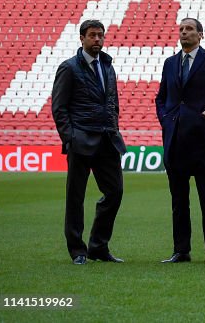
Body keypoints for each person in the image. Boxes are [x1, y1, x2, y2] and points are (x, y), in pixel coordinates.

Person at [155, 18, 205, 265]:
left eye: (189, 29)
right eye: (180, 29)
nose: (183, 32)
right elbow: (161, 97)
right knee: (178, 201)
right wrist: (166, 120)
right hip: (175, 139)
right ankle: (181, 251)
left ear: (200, 34)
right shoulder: (170, 63)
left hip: (200, 140)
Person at [51, 19, 126, 265]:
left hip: (107, 139)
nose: (97, 39)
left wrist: (114, 125)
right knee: (76, 197)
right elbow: (59, 108)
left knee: (115, 192)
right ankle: (77, 251)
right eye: (92, 35)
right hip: (81, 140)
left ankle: (98, 246)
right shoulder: (69, 67)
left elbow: (112, 102)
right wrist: (70, 137)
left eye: (100, 35)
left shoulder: (108, 66)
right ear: (81, 38)